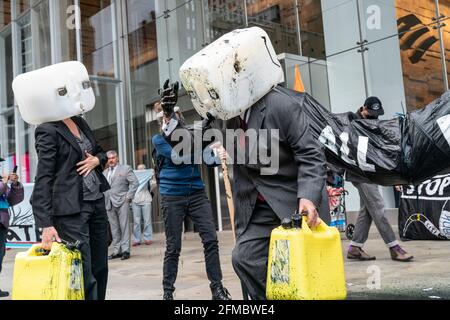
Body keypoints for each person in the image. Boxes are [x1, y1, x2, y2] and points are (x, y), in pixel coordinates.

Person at [211, 86, 330, 300]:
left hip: (292, 202)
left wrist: (308, 197)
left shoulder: (281, 104)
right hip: (257, 209)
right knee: (244, 258)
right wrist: (171, 118)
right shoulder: (221, 116)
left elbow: (311, 155)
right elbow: (188, 139)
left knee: (296, 270)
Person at [152, 81, 231, 301]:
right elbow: (180, 155)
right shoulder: (158, 140)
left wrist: (220, 156)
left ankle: (217, 288)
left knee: (211, 240)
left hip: (196, 193)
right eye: (165, 119)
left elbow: (209, 160)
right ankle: (168, 292)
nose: (168, 121)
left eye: (171, 117)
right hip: (172, 197)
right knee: (173, 247)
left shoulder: (191, 135)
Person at [32, 116, 110, 300]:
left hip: (96, 202)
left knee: (100, 267)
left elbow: (101, 152)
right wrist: (45, 223)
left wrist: (97, 160)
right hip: (70, 211)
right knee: (83, 272)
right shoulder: (47, 129)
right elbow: (43, 177)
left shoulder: (80, 121)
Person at [344, 97, 413, 262]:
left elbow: (380, 151)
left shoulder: (374, 124)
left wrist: (393, 178)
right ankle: (394, 248)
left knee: (367, 210)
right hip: (359, 172)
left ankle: (355, 248)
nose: (375, 117)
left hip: (371, 171)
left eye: (377, 114)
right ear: (363, 109)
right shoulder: (351, 123)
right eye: (372, 113)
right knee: (378, 207)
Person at [103, 151, 139, 261]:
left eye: (113, 158)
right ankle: (116, 251)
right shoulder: (104, 172)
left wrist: (128, 197)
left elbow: (135, 183)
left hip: (122, 201)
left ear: (117, 158)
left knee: (124, 227)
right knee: (114, 228)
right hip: (109, 203)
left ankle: (125, 251)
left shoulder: (125, 169)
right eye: (109, 158)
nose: (111, 160)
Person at [0, 160, 24, 298]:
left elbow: (13, 199)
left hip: (2, 223)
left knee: (0, 256)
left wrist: (14, 185)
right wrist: (4, 181)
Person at [132, 164, 157, 247]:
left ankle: (148, 238)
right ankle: (137, 239)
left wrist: (152, 176)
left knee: (147, 220)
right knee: (136, 221)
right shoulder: (133, 178)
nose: (141, 171)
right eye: (139, 169)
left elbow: (154, 185)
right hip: (135, 200)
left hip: (146, 199)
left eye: (143, 169)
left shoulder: (148, 178)